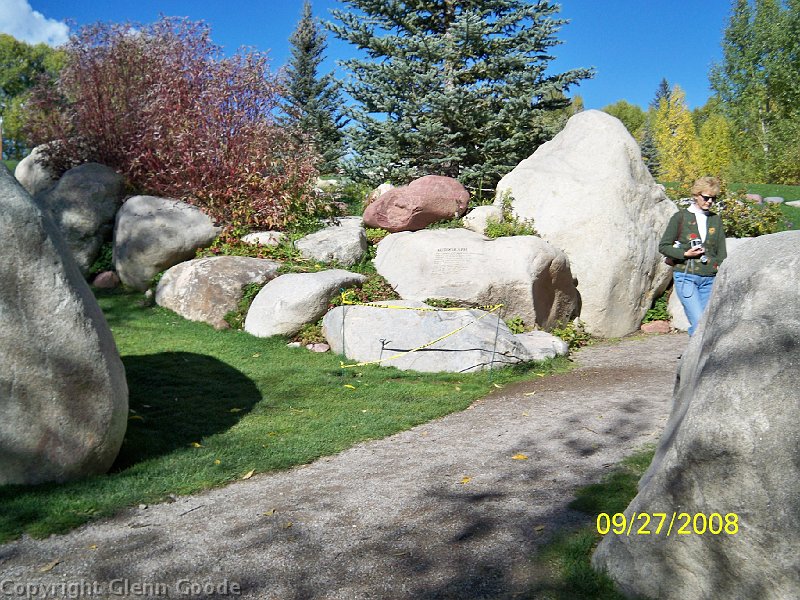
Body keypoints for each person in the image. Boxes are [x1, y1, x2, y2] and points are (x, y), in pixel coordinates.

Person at [659, 176, 727, 336]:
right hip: (686, 275)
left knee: (706, 324)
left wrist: (719, 268)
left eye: (713, 198)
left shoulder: (715, 220)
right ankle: (695, 350)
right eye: (706, 197)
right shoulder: (680, 217)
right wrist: (685, 253)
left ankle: (696, 350)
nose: (710, 202)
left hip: (709, 278)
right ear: (696, 195)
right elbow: (664, 246)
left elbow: (721, 252)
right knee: (698, 322)